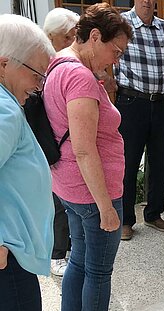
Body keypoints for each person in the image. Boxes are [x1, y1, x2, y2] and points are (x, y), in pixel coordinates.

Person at [43, 3, 135, 311]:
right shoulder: (80, 77)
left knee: (79, 258)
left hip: (69, 186)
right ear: (95, 36)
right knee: (98, 268)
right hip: (92, 191)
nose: (116, 60)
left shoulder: (59, 64)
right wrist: (106, 208)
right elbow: (84, 149)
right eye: (116, 51)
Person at [0, 13, 57, 311]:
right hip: (8, 247)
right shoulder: (3, 109)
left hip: (12, 241)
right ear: (4, 63)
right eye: (36, 73)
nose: (39, 85)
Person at [114, 0, 164, 241]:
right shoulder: (122, 23)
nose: (148, 2)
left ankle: (153, 214)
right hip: (130, 101)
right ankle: (125, 220)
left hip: (159, 102)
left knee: (160, 162)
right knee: (129, 163)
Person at [42, 7, 79, 277]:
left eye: (74, 36)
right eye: (67, 37)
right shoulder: (42, 63)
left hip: (68, 142)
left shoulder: (72, 64)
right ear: (50, 36)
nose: (71, 42)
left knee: (68, 202)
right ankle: (57, 254)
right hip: (49, 143)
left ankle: (69, 249)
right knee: (57, 202)